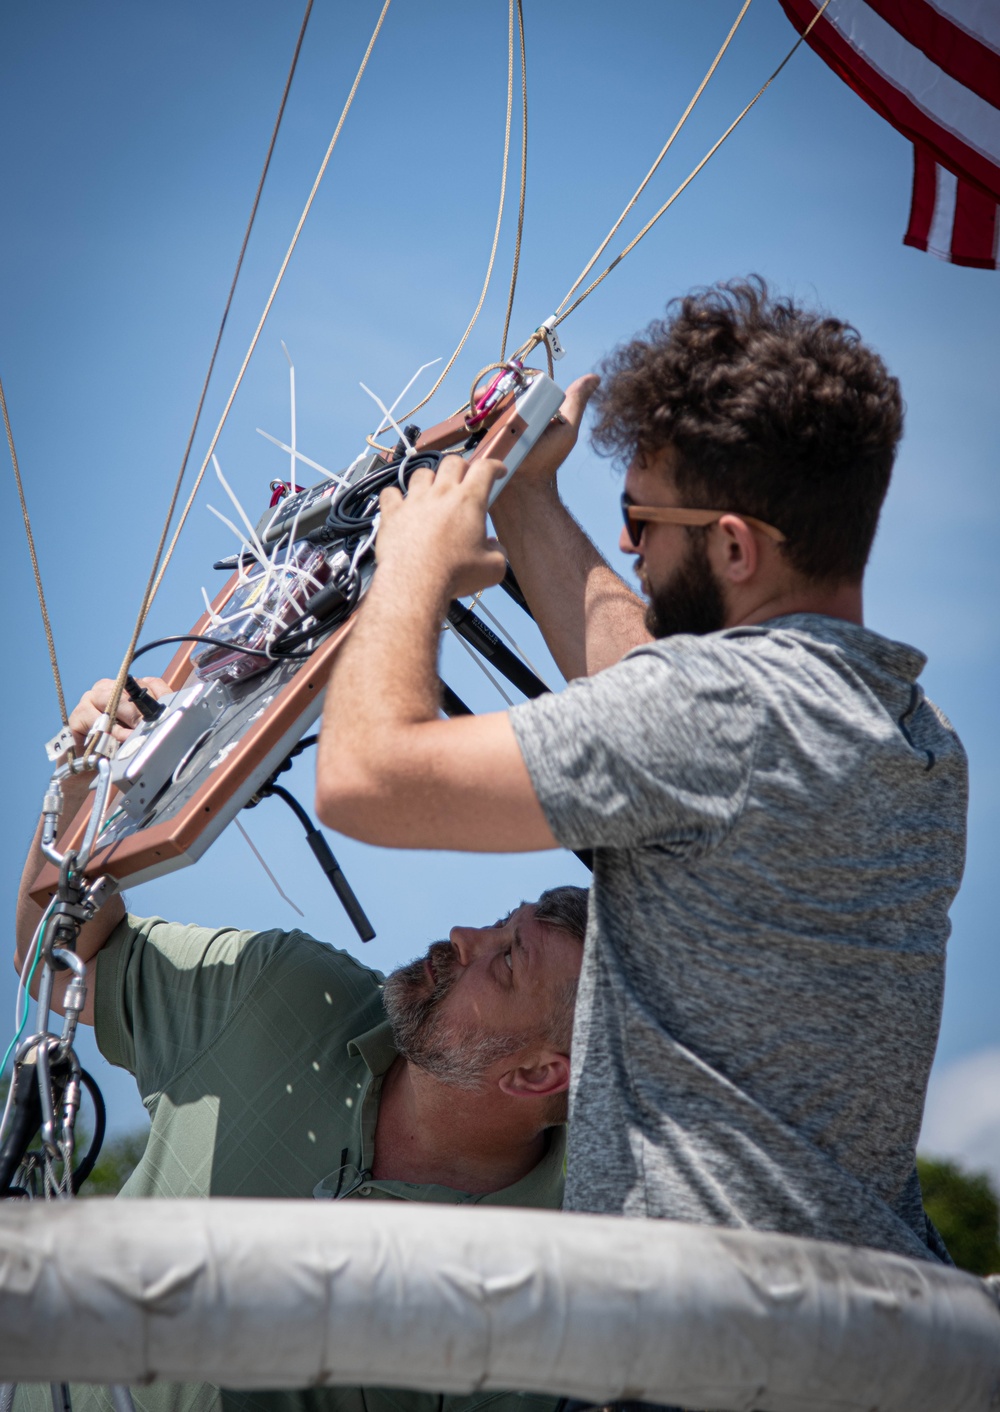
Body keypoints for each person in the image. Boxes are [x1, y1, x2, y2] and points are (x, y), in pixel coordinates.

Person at [316, 278, 968, 1264]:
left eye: (641, 517)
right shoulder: (912, 733)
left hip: (708, 1346)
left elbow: (366, 776)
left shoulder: (716, 714)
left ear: (737, 546)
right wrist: (529, 497)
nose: (627, 543)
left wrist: (412, 562)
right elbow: (652, 693)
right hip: (876, 1327)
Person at [13, 677, 586, 1412]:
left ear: (540, 1073)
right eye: (500, 923)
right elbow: (60, 960)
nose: (463, 938)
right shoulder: (286, 989)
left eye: (505, 962)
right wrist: (90, 775)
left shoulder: (548, 1295)